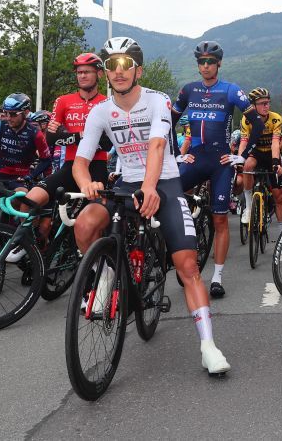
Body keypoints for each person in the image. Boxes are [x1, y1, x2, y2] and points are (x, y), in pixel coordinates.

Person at [72, 36, 231, 375]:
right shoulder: (100, 111)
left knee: (187, 265)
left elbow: (158, 146)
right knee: (85, 223)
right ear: (105, 73)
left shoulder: (157, 101)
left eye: (126, 64)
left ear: (138, 71)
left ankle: (208, 346)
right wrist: (86, 183)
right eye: (112, 65)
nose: (119, 71)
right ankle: (108, 276)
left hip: (165, 180)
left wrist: (150, 187)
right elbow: (81, 159)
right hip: (127, 182)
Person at [172, 40, 264, 299]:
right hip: (195, 157)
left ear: (219, 63)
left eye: (210, 61)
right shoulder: (189, 90)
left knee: (220, 219)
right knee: (169, 196)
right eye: (201, 61)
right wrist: (175, 156)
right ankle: (185, 249)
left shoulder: (231, 90)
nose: (205, 65)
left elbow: (256, 124)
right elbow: (169, 122)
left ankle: (217, 277)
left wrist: (241, 156)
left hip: (220, 161)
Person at [20, 53, 109, 241]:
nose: (82, 76)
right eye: (79, 72)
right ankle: (29, 244)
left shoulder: (108, 103)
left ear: (99, 74)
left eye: (87, 72)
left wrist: (68, 136)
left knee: (89, 223)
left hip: (97, 167)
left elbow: (108, 143)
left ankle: (92, 262)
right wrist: (83, 136)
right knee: (30, 200)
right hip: (69, 165)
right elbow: (51, 139)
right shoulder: (63, 101)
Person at [0, 93, 52, 227]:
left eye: (13, 114)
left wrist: (31, 176)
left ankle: (23, 240)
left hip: (19, 178)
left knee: (23, 198)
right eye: (6, 113)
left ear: (25, 112)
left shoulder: (35, 133)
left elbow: (46, 160)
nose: (8, 117)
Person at [238, 87, 282, 238]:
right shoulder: (247, 120)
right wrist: (240, 159)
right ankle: (248, 205)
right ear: (253, 106)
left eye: (268, 103)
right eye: (262, 103)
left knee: (279, 197)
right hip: (256, 153)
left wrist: (275, 162)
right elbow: (244, 142)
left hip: (271, 153)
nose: (267, 106)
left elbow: (275, 143)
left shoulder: (276, 118)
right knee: (247, 166)